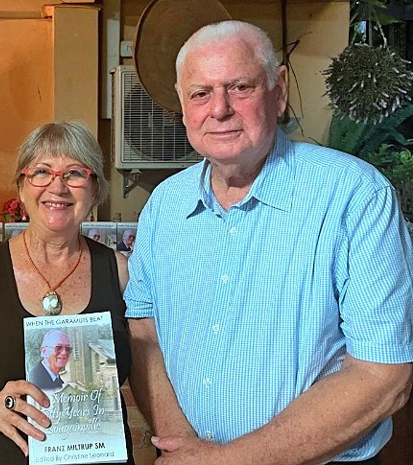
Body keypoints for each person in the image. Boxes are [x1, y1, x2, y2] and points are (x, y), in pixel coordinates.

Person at [125, 20, 413, 465]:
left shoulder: (356, 197)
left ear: (278, 91)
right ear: (182, 105)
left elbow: (382, 375)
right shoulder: (164, 207)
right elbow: (144, 331)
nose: (218, 109)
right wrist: (182, 445)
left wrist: (220, 462)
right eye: (200, 93)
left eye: (239, 87)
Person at [0, 121, 134, 465]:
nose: (58, 186)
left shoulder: (121, 273)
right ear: (22, 189)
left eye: (75, 174)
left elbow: (151, 377)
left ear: (95, 191)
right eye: (41, 172)